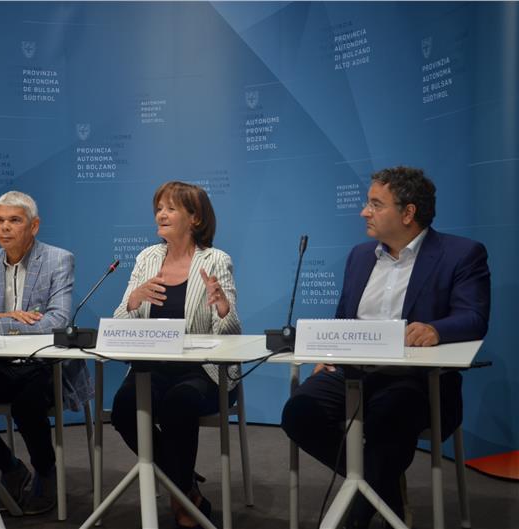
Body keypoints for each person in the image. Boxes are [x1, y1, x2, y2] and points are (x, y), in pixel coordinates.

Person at [281, 166, 491, 528]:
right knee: (300, 412)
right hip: (352, 375)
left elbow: (474, 317)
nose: (364, 211)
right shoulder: (360, 256)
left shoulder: (461, 254)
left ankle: (356, 516)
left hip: (416, 381)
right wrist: (327, 354)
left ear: (408, 213)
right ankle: (385, 493)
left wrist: (436, 330)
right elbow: (343, 319)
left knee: (388, 419)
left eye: (376, 204)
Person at [0, 190, 92, 515]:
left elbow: (56, 321)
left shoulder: (58, 260)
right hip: (2, 366)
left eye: (14, 220)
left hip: (46, 365)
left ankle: (46, 471)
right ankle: (9, 467)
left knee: (27, 405)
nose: (5, 227)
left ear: (33, 226)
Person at [110, 181, 242, 529]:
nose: (161, 215)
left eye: (170, 208)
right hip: (152, 368)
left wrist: (223, 306)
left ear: (194, 218)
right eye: (159, 208)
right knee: (123, 408)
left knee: (178, 404)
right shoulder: (147, 258)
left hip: (203, 370)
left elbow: (230, 334)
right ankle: (183, 485)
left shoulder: (215, 260)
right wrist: (134, 300)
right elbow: (120, 322)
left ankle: (179, 494)